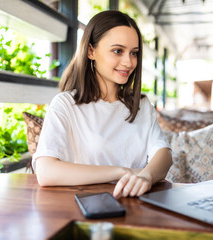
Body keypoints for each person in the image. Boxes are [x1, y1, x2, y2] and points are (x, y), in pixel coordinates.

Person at [32, 10, 172, 199]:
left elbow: (163, 153)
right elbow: (46, 172)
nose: (128, 62)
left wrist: (146, 176)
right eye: (118, 51)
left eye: (134, 53)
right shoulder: (66, 104)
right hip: (86, 204)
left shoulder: (141, 105)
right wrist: (122, 172)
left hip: (138, 205)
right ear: (91, 51)